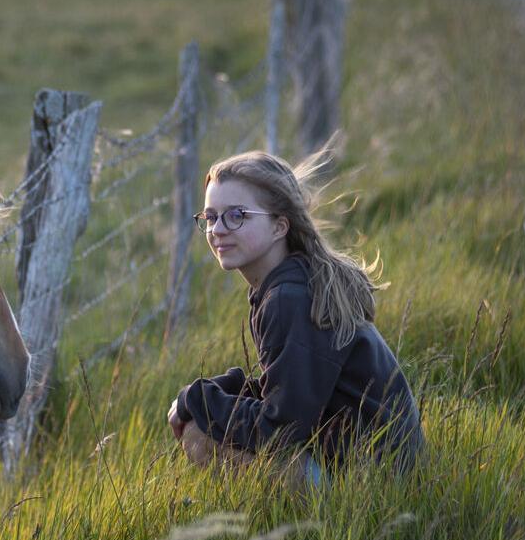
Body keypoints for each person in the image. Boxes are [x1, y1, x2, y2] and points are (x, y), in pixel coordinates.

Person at [166, 149, 425, 487]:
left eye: (237, 215)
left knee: (198, 434)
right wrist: (216, 390)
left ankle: (313, 513)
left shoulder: (290, 298)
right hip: (377, 464)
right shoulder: (290, 282)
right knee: (208, 417)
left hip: (375, 481)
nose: (218, 229)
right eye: (211, 217)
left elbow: (280, 427)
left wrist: (197, 400)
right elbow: (288, 388)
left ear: (279, 226)